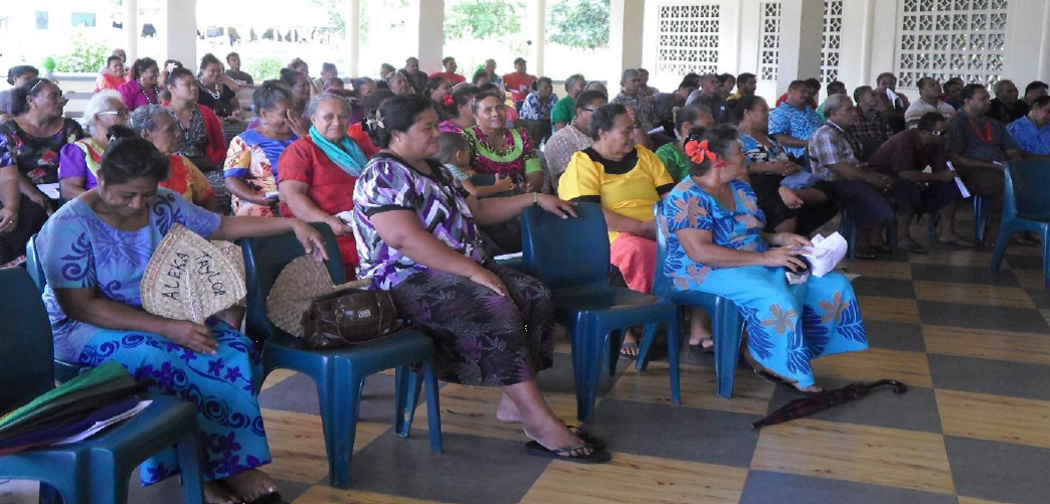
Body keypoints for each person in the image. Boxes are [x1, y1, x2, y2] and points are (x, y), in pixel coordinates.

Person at [38, 130, 328, 504]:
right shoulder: (70, 225)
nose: (138, 204)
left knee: (233, 348)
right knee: (161, 358)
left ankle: (219, 464)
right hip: (83, 328)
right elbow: (81, 307)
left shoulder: (163, 204)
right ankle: (204, 471)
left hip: (156, 312)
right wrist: (167, 328)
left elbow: (222, 226)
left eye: (146, 194)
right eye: (126, 195)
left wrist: (291, 223)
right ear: (102, 179)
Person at [351, 93, 608, 463]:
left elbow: (478, 211)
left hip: (455, 268)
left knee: (533, 293)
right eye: (427, 128)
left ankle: (514, 403)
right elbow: (404, 239)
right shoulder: (383, 174)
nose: (437, 133)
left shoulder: (435, 169)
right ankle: (540, 421)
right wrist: (474, 271)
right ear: (396, 134)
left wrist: (535, 199)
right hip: (405, 280)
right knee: (494, 305)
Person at [659, 125, 868, 393]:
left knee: (832, 285)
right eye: (739, 151)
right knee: (777, 298)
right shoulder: (686, 197)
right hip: (703, 270)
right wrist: (766, 258)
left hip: (753, 259)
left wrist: (780, 239)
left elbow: (749, 233)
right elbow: (700, 252)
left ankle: (792, 353)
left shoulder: (738, 187)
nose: (746, 155)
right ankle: (774, 362)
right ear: (718, 160)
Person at [558, 103, 676, 355]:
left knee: (698, 243)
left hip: (657, 227)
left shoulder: (645, 156)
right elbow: (590, 213)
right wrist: (641, 227)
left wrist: (666, 223)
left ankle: (685, 321)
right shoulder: (583, 163)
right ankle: (629, 321)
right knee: (639, 251)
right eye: (626, 131)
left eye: (633, 129)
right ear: (603, 133)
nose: (633, 136)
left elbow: (671, 197)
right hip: (609, 234)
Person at [278, 93, 366, 274]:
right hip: (324, 231)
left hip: (360, 225)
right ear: (313, 119)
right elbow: (292, 196)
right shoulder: (300, 151)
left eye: (343, 116)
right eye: (328, 117)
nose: (337, 122)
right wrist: (328, 221)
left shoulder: (355, 148)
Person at [0, 78, 83, 267]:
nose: (62, 100)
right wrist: (34, 195)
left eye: (61, 95)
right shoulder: (8, 131)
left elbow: (77, 165)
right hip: (21, 188)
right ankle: (23, 263)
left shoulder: (70, 128)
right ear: (32, 101)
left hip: (64, 187)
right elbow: (8, 171)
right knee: (27, 211)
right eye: (54, 96)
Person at [809, 94, 896, 259]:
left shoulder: (844, 133)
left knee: (893, 184)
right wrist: (872, 179)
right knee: (865, 191)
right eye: (848, 110)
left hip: (850, 178)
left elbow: (856, 163)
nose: (854, 113)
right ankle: (860, 241)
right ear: (833, 113)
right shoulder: (825, 134)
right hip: (832, 182)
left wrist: (877, 177)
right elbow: (839, 167)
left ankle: (874, 236)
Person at [867, 112, 969, 251]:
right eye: (940, 133)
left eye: (946, 132)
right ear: (924, 132)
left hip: (907, 176)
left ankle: (947, 232)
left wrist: (950, 173)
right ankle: (902, 237)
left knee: (949, 186)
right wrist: (938, 176)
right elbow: (904, 173)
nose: (945, 136)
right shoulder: (904, 140)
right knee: (908, 188)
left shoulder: (936, 142)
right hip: (883, 176)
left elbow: (939, 168)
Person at [737, 95, 836, 236]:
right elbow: (736, 166)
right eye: (764, 110)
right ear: (748, 113)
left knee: (829, 193)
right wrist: (772, 168)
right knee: (784, 207)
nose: (768, 114)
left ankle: (791, 195)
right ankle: (784, 243)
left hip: (786, 178)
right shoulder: (736, 139)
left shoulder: (769, 137)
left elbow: (782, 158)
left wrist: (792, 166)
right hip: (759, 182)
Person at [946, 84, 1023, 245]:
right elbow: (955, 157)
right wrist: (992, 166)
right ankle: (994, 229)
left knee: (1025, 181)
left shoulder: (994, 124)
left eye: (988, 98)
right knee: (1005, 186)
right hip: (971, 171)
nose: (988, 102)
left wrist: (1016, 164)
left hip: (1000, 168)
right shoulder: (956, 123)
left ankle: (1018, 228)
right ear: (968, 101)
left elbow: (1011, 150)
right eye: (983, 99)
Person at [225, 83, 303, 217]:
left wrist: (305, 137)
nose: (291, 118)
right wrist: (257, 198)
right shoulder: (246, 141)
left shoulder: (302, 137)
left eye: (293, 112)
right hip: (261, 202)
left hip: (301, 199)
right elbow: (232, 180)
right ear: (264, 113)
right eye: (284, 113)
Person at [463, 91, 544, 193]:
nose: (496, 113)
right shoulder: (467, 138)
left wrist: (531, 185)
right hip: (483, 197)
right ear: (476, 116)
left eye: (499, 108)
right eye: (488, 110)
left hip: (519, 194)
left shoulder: (521, 135)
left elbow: (534, 169)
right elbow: (465, 174)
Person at [58, 91, 129, 199]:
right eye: (120, 112)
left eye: (126, 112)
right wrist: (106, 203)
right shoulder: (79, 150)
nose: (126, 117)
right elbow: (69, 190)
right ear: (97, 118)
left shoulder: (129, 146)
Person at [165, 68, 226, 171]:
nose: (193, 88)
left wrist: (210, 162)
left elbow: (220, 148)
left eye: (194, 84)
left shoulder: (207, 113)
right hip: (170, 171)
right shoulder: (159, 114)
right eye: (187, 85)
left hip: (204, 169)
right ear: (171, 88)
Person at [544, 90, 607, 189]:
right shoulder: (562, 139)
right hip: (580, 193)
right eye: (599, 112)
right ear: (580, 112)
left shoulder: (603, 134)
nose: (605, 117)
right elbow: (570, 179)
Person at [437, 132, 514, 198]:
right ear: (459, 155)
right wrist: (499, 187)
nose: (469, 153)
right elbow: (473, 192)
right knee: (503, 180)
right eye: (466, 150)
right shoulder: (453, 170)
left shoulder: (441, 167)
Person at [655, 105, 713, 183]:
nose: (713, 130)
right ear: (687, 126)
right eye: (708, 126)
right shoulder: (666, 155)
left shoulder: (712, 149)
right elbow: (665, 188)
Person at [768, 80, 825, 159]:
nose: (806, 95)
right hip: (800, 156)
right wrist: (809, 143)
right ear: (791, 91)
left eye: (808, 93)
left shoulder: (810, 111)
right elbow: (779, 139)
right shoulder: (779, 113)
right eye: (803, 91)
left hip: (823, 149)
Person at [851, 85, 893, 159]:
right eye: (873, 95)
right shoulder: (851, 115)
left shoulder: (879, 115)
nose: (877, 98)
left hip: (882, 152)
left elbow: (889, 135)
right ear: (861, 98)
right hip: (859, 154)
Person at [196, 53, 241, 119]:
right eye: (213, 71)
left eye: (219, 71)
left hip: (228, 122)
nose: (216, 74)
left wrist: (235, 113)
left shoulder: (224, 88)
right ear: (202, 70)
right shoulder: (195, 88)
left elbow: (236, 107)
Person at [519, 77, 559, 145]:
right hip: (528, 121)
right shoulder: (532, 97)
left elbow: (556, 112)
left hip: (545, 120)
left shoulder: (554, 97)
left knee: (555, 123)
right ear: (538, 88)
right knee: (539, 124)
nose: (549, 89)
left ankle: (550, 145)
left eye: (550, 87)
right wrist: (550, 117)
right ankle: (533, 146)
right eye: (546, 87)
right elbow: (534, 116)